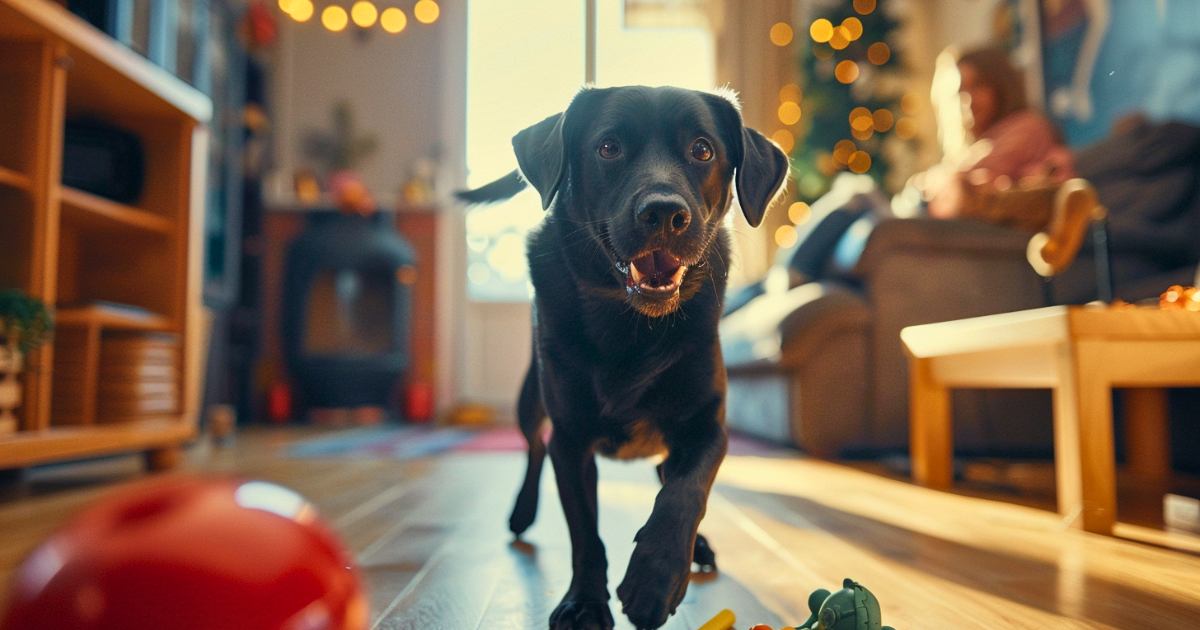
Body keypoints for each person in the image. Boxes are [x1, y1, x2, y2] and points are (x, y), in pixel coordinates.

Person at [785, 46, 1074, 285]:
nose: (968, 101)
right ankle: (788, 277)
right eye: (961, 92)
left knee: (856, 192)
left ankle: (790, 275)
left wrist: (934, 182)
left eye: (979, 86)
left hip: (934, 222)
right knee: (854, 196)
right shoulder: (978, 143)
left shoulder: (1026, 127)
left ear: (1001, 85)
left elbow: (965, 179)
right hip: (926, 215)